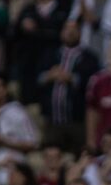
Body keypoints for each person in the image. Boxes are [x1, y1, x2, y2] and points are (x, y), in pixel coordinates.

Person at [37, 19, 99, 151]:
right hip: (52, 120)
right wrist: (49, 75)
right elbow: (37, 78)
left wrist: (71, 78)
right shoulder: (50, 54)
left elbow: (93, 84)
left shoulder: (89, 57)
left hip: (77, 121)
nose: (70, 32)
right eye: (67, 28)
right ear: (61, 32)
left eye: (74, 29)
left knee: (78, 155)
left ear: (80, 33)